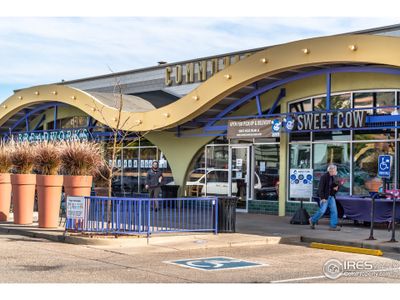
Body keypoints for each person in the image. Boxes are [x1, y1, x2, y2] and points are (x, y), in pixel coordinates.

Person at [309, 164, 340, 231]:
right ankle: (312, 220)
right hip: (325, 197)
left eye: (335, 170)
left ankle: (333, 226)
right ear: (330, 170)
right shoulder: (324, 177)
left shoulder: (334, 177)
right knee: (322, 211)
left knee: (334, 211)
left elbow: (336, 185)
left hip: (331, 196)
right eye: (335, 170)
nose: (335, 172)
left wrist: (336, 188)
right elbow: (320, 188)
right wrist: (322, 198)